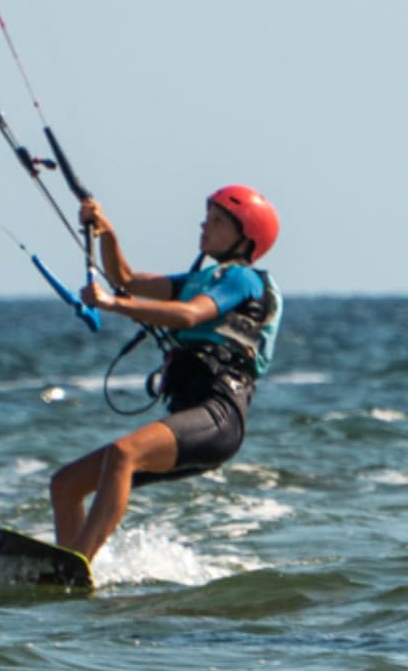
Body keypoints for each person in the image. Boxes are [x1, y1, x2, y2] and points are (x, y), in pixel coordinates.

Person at [50, 186, 282, 571]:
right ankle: (67, 574)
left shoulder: (242, 279)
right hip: (188, 413)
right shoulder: (199, 279)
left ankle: (77, 564)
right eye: (207, 216)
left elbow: (189, 316)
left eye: (218, 221)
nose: (205, 225)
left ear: (245, 237)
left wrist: (112, 303)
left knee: (124, 454)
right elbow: (123, 277)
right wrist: (105, 230)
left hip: (218, 414)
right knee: (66, 484)